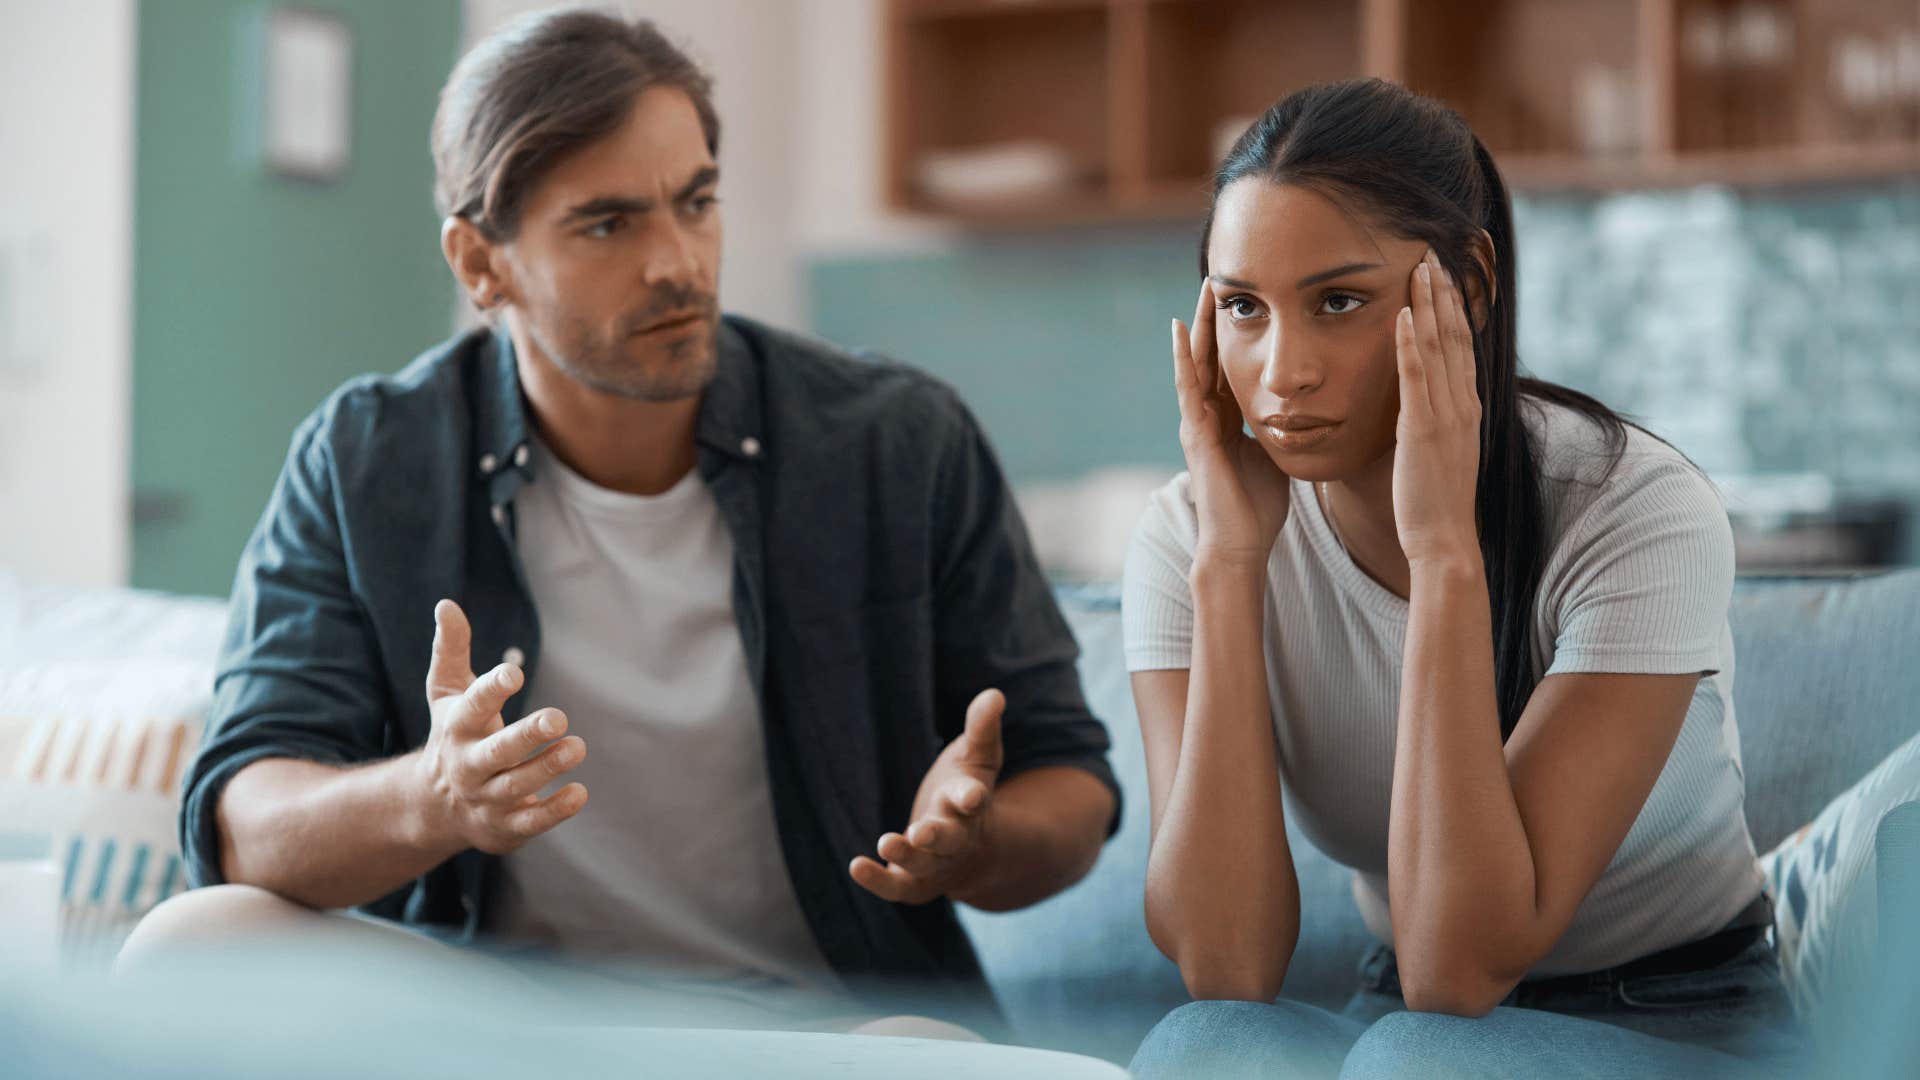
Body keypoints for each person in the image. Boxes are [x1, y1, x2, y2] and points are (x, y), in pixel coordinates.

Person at [117, 9, 1118, 1039]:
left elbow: (1072, 787)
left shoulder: (899, 442)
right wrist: (436, 796)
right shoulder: (368, 457)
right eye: (608, 223)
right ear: (480, 262)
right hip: (499, 1023)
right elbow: (241, 822)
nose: (677, 263)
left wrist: (977, 841)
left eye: (696, 203)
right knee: (189, 946)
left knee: (931, 1056)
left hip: (818, 1027)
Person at [1123, 78, 1807, 1078]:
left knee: (1422, 1060)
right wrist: (1229, 566)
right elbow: (1225, 964)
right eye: (1243, 309)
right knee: (1205, 1045)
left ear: (1470, 288)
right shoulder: (1190, 534)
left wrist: (1445, 549)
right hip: (1400, 1015)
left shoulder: (1635, 511)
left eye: (1339, 301)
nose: (1281, 374)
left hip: (1681, 1012)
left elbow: (1458, 968)